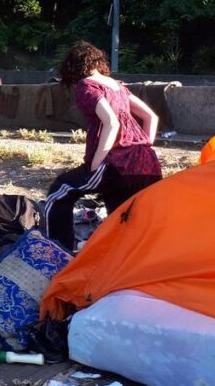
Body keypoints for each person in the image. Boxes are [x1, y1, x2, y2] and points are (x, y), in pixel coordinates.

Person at [44, 41, 162, 252]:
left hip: (117, 162)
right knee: (123, 216)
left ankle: (57, 251)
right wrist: (143, 147)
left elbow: (111, 123)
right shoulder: (117, 86)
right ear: (98, 62)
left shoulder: (87, 86)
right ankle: (128, 260)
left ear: (72, 66)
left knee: (59, 192)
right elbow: (151, 117)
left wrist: (96, 164)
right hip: (147, 164)